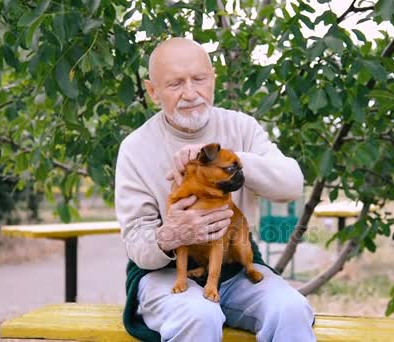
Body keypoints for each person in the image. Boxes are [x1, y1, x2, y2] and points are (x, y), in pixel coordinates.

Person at [115, 37, 315, 342]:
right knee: (198, 314)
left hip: (233, 266)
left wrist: (229, 161)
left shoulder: (241, 128)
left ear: (213, 80)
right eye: (175, 84)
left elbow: (291, 184)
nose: (191, 93)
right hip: (165, 273)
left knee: (291, 308)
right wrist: (172, 234)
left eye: (199, 79)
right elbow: (136, 242)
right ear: (152, 91)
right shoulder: (135, 148)